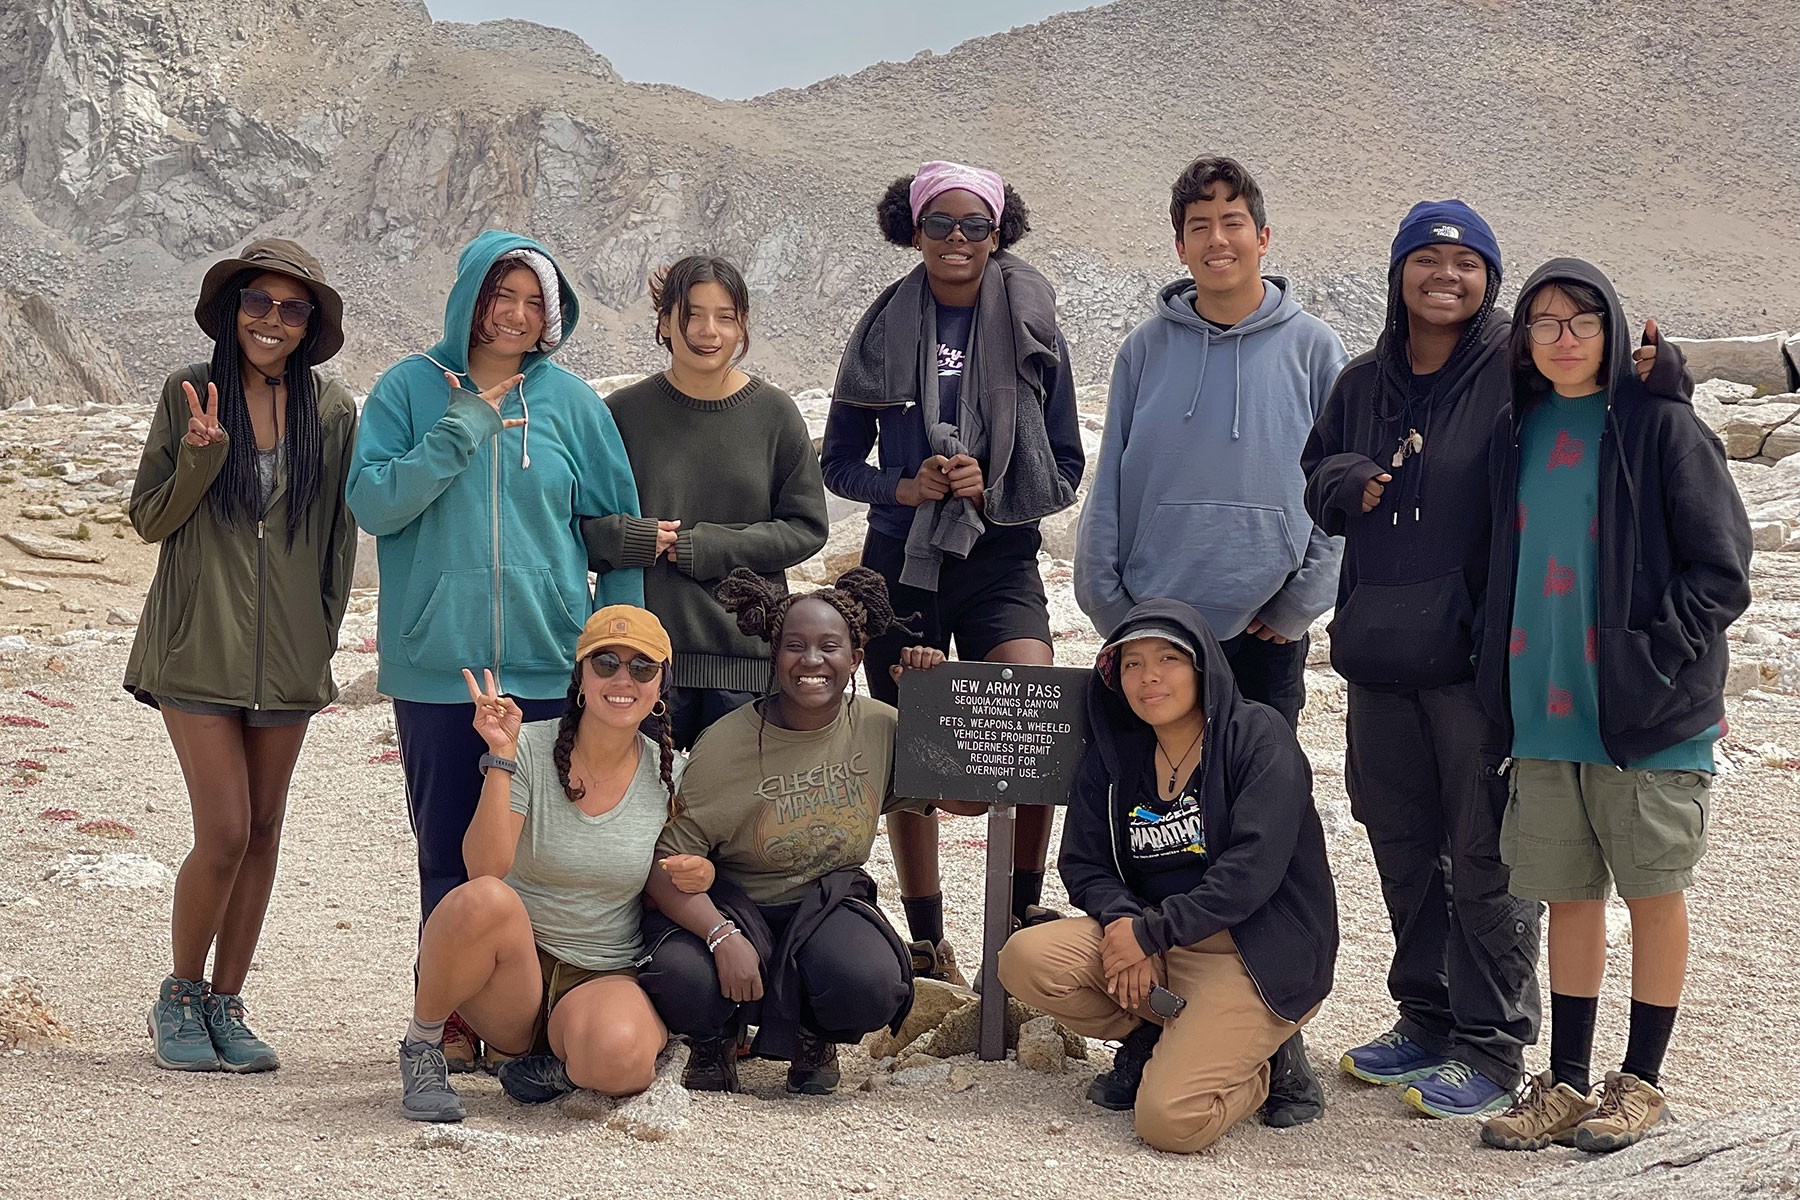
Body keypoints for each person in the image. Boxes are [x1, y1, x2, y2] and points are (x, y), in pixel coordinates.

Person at [1073, 153, 1345, 1124]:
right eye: (1199, 224)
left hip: (1261, 635)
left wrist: (1302, 598)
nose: (1218, 238)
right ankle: (1154, 1027)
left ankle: (1281, 1037)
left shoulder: (1313, 346)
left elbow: (1337, 491)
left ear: (1263, 237)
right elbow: (1113, 481)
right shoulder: (1148, 348)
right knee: (1149, 824)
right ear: (1179, 244)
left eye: (1235, 221)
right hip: (1153, 640)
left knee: (1260, 834)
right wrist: (1108, 602)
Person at [348, 230, 643, 1070]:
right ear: (470, 296)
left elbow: (614, 536)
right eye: (500, 295)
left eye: (532, 301)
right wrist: (463, 426)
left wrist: (616, 653)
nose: (515, 314)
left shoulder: (575, 405)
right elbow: (375, 503)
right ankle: (440, 1016)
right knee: (448, 846)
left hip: (552, 665)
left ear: (552, 314)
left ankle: (526, 1017)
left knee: (539, 854)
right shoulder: (408, 389)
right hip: (440, 670)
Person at [1475, 260, 1749, 1153]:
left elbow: (1722, 568)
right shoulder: (1519, 430)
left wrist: (1657, 654)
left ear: (1615, 330)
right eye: (1544, 323)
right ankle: (1565, 1082)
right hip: (1542, 708)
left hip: (1644, 715)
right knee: (1570, 898)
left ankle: (1644, 1081)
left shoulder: (1663, 427)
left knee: (1654, 892)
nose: (1561, 339)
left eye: (1580, 322)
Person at [1301, 203, 1543, 1118]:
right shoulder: (1364, 381)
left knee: (1485, 854)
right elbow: (1314, 469)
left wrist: (1653, 384)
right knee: (1400, 841)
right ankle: (1426, 1015)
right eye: (1427, 259)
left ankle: (1491, 1044)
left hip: (1477, 661)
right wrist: (1342, 478)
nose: (1446, 274)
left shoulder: (1516, 371)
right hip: (1377, 653)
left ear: (1489, 276)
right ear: (1400, 273)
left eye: (1467, 261)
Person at [822, 159, 1084, 985]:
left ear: (999, 232)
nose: (959, 240)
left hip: (1000, 554)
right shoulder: (878, 330)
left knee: (1034, 709)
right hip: (903, 561)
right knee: (911, 739)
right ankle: (929, 938)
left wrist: (993, 487)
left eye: (976, 226)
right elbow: (838, 464)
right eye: (941, 225)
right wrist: (905, 485)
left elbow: (1068, 467)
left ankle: (1016, 921)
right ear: (914, 229)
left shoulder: (1036, 324)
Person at [126, 238, 358, 1072]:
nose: (272, 321)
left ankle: (228, 1003)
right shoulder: (190, 391)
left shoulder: (331, 413)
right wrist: (200, 455)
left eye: (291, 309)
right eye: (257, 303)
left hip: (288, 656)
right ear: (233, 310)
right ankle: (179, 995)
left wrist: (317, 640)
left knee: (264, 831)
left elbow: (337, 538)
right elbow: (149, 519)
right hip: (196, 645)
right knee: (223, 831)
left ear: (310, 324)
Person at [999, 600, 1338, 1152]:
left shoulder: (1257, 738)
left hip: (1248, 957)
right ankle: (1158, 1029)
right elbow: (1084, 863)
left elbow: (1251, 873)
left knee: (1169, 1123)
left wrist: (1146, 934)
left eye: (1168, 659)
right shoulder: (1116, 754)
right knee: (1026, 959)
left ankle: (1263, 1065)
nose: (1148, 677)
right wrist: (1127, 924)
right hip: (1154, 945)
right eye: (1131, 664)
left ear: (1203, 666)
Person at [636, 567, 985, 1095]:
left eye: (830, 646)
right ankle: (713, 1034)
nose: (812, 660)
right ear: (774, 658)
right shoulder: (723, 746)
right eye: (795, 646)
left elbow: (971, 800)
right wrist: (720, 934)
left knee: (870, 983)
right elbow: (664, 874)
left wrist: (930, 702)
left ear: (856, 659)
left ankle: (811, 1032)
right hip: (735, 903)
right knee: (678, 976)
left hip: (824, 904)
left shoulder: (878, 726)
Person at [396, 607, 706, 1122]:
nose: (622, 679)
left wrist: (704, 872)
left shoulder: (673, 773)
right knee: (481, 899)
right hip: (513, 972)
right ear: (581, 678)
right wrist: (500, 755)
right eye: (605, 663)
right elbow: (485, 866)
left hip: (602, 973)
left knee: (624, 1063)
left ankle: (555, 1069)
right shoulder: (532, 748)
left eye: (641, 668)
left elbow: (684, 867)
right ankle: (423, 1046)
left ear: (660, 686)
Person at [585, 255, 827, 750]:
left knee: (736, 819)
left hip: (744, 659)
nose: (707, 330)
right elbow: (575, 527)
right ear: (664, 321)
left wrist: (715, 545)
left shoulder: (774, 414)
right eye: (692, 314)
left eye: (725, 316)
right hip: (640, 662)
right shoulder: (621, 415)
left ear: (742, 327)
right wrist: (629, 539)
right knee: (646, 817)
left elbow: (806, 527)